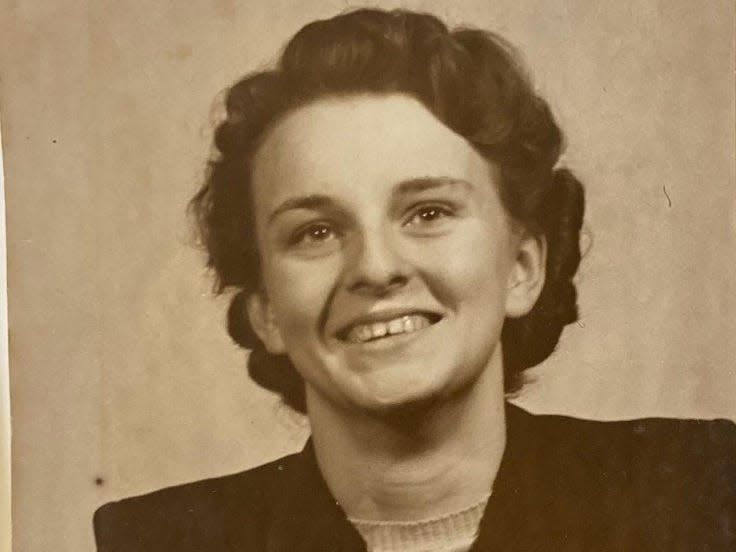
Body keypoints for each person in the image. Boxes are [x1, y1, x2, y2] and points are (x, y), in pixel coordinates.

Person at [93, 8, 735, 551]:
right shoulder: (162, 541)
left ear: (523, 267)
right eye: (315, 232)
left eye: (428, 213)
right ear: (264, 309)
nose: (376, 267)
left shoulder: (689, 496)